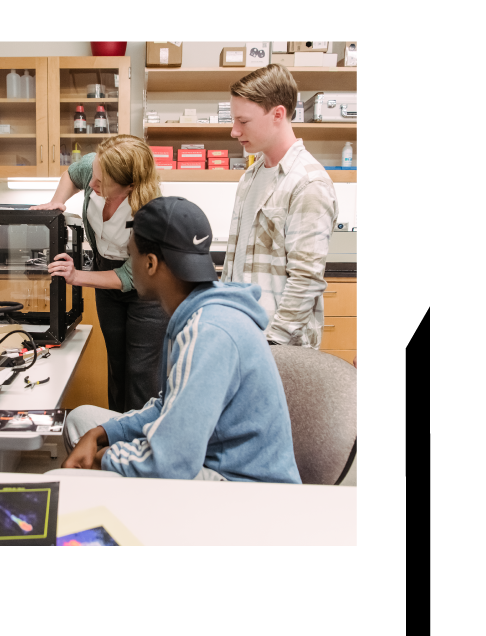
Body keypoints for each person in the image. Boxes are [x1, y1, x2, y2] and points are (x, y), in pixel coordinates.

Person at [61, 196, 301, 483]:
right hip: (210, 456)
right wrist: (103, 433)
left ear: (150, 263)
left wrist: (103, 459)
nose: (129, 264)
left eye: (130, 255)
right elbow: (168, 407)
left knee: (90, 468)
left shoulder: (208, 332)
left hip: (243, 485)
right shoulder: (198, 312)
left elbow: (170, 461)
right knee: (81, 420)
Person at [31, 135, 168, 414]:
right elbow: (73, 173)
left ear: (130, 185)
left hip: (147, 290)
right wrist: (57, 202)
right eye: (93, 177)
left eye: (101, 183)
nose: (91, 185)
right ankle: (114, 438)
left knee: (142, 372)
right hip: (106, 275)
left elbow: (129, 277)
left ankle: (142, 446)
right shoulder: (97, 167)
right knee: (117, 366)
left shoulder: (150, 210)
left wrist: (77, 276)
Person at [222, 63, 338, 349]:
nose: (234, 131)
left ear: (278, 114)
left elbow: (306, 279)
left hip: (279, 348)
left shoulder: (308, 183)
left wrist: (273, 344)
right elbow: (235, 265)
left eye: (243, 121)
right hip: (242, 335)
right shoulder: (251, 176)